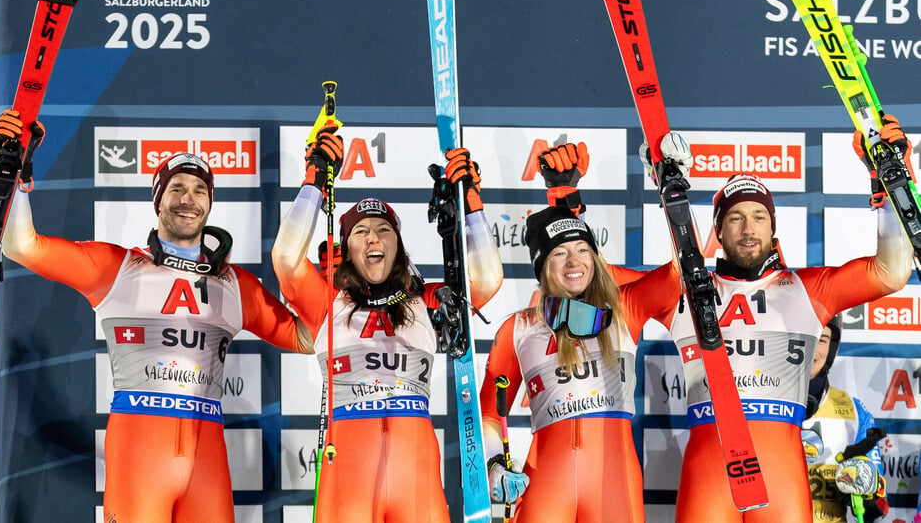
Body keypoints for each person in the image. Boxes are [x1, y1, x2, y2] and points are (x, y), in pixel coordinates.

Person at [0, 110, 312, 523]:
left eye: (200, 190)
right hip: (139, 454)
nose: (188, 199)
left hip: (207, 459)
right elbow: (21, 246)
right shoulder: (117, 267)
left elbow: (308, 338)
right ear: (158, 199)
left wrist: (314, 190)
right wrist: (14, 172)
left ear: (210, 203)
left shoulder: (236, 285)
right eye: (176, 188)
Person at [669, 114, 914, 522]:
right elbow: (595, 284)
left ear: (773, 228)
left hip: (782, 479)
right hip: (708, 479)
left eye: (759, 217)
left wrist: (891, 187)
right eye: (736, 218)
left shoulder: (808, 288)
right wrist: (566, 202)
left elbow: (891, 272)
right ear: (719, 231)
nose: (749, 230)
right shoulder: (683, 289)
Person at [271, 126, 503, 522]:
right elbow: (286, 259)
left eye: (383, 230)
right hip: (347, 479)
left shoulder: (424, 302)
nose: (373, 237)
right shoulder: (329, 301)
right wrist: (314, 182)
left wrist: (472, 207)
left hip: (416, 480)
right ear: (347, 250)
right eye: (361, 231)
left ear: (397, 245)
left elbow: (486, 280)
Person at [477, 136, 690, 523]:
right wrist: (493, 465)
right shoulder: (519, 327)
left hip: (614, 484)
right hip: (544, 485)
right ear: (542, 268)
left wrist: (671, 186)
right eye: (559, 253)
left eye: (582, 250)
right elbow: (489, 412)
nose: (573, 261)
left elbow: (682, 271)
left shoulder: (625, 306)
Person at [802, 317, 888, 522]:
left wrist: (866, 492)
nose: (813, 349)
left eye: (822, 340)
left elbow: (878, 508)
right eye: (806, 338)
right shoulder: (759, 407)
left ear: (832, 349)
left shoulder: (855, 411)